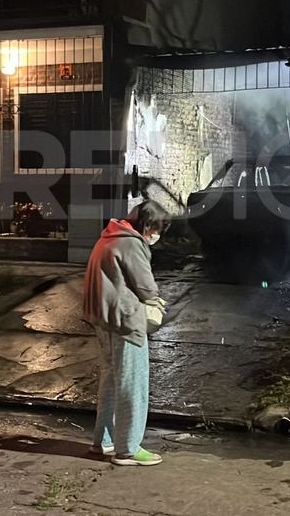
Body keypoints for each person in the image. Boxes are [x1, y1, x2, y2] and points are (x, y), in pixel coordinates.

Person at [82, 200, 171, 467]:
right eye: (156, 229)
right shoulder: (131, 243)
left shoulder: (109, 236)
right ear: (147, 225)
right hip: (125, 319)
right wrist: (156, 303)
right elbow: (145, 287)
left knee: (110, 380)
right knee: (133, 383)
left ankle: (105, 442)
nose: (156, 236)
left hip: (103, 318)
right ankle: (129, 448)